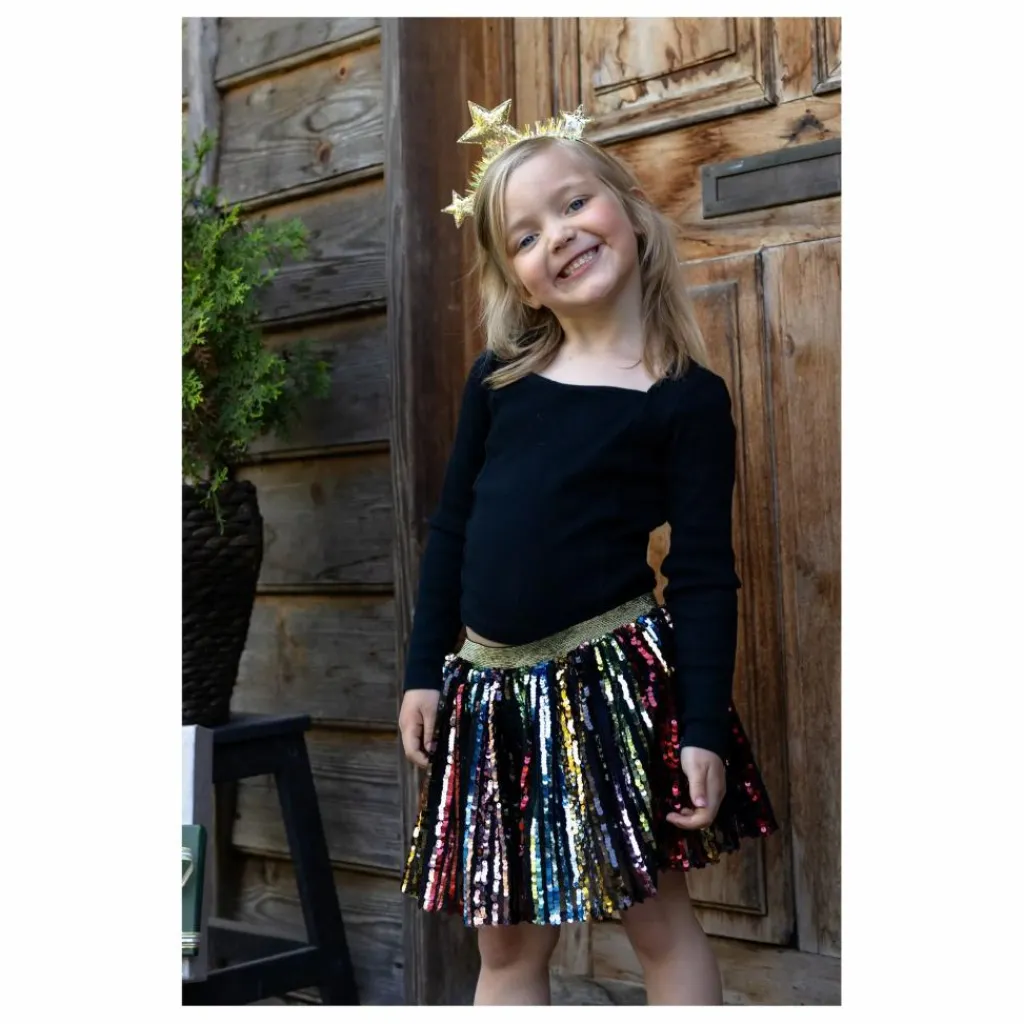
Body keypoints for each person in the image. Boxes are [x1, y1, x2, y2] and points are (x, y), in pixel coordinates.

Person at [398, 100, 778, 1007]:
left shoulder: (683, 399)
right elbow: (453, 529)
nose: (559, 236)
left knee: (659, 926)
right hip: (489, 694)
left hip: (608, 688)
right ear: (523, 285)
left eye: (574, 204)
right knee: (505, 952)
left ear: (630, 212)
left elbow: (702, 574)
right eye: (527, 236)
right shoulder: (500, 381)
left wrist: (701, 726)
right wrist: (424, 671)